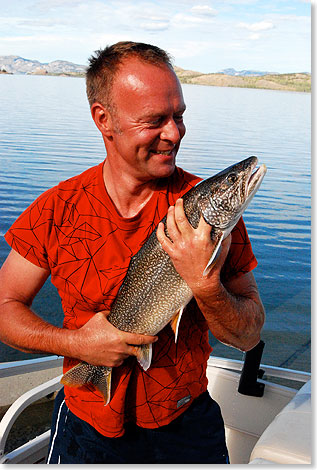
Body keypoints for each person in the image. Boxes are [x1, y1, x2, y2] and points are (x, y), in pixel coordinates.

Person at [0, 41, 265, 464]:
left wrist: (204, 283)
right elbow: (4, 307)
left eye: (179, 116)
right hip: (85, 423)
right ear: (104, 119)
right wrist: (76, 344)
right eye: (155, 120)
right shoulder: (56, 208)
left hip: (188, 423)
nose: (174, 133)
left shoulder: (208, 215)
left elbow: (248, 335)